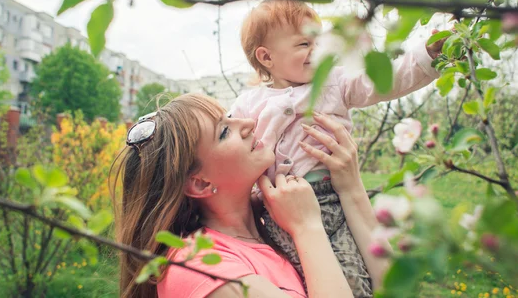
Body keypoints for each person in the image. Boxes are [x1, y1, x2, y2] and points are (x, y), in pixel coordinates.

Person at [231, 0, 444, 296]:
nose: (317, 51)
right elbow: (233, 152)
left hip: (334, 201)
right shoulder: (247, 104)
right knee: (300, 277)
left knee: (353, 278)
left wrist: (426, 56)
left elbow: (385, 81)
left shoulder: (335, 81)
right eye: (304, 44)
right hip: (277, 209)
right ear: (266, 57)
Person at [111, 93, 390, 298]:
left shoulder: (273, 222)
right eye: (224, 132)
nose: (247, 123)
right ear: (199, 183)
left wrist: (350, 187)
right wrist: (307, 228)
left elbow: (391, 287)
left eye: (229, 117)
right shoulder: (197, 267)